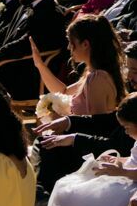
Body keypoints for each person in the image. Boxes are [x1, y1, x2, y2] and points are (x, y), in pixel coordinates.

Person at [32, 15, 124, 191]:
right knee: (43, 142)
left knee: (43, 143)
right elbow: (64, 92)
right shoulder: (92, 73)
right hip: (77, 141)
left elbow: (97, 126)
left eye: (71, 42)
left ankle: (42, 193)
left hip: (87, 152)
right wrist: (39, 65)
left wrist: (61, 119)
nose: (68, 47)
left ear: (85, 44)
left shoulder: (97, 78)